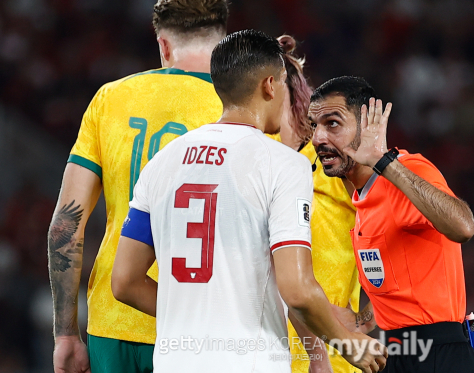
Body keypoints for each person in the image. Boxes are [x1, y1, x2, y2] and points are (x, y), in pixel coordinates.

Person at [110, 30, 387, 372]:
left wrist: (193, 319)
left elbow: (124, 281)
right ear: (270, 86)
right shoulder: (283, 164)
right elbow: (297, 288)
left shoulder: (163, 162)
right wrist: (348, 343)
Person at [48, 0, 228, 373]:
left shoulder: (110, 99)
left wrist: (65, 335)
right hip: (202, 325)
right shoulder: (241, 109)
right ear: (224, 44)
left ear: (163, 46)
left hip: (113, 321)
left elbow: (65, 224)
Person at [308, 76, 474, 373]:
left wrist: (383, 160)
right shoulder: (362, 199)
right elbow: (392, 290)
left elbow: (464, 226)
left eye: (332, 123)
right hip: (397, 353)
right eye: (314, 125)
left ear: (367, 125)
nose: (318, 138)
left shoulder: (408, 169)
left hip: (439, 356)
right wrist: (359, 322)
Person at [275, 36, 365, 373]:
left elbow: (399, 244)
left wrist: (365, 319)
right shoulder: (244, 161)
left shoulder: (334, 161)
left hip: (333, 363)